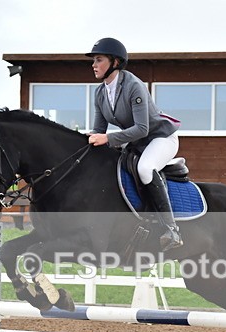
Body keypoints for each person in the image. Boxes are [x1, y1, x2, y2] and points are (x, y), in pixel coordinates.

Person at [85, 37, 183, 251]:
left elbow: (142, 129)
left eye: (98, 60)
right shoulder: (100, 93)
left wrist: (108, 139)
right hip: (136, 143)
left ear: (115, 62)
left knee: (145, 168)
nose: (93, 65)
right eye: (93, 60)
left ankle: (172, 229)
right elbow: (98, 132)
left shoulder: (133, 86)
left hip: (160, 137)